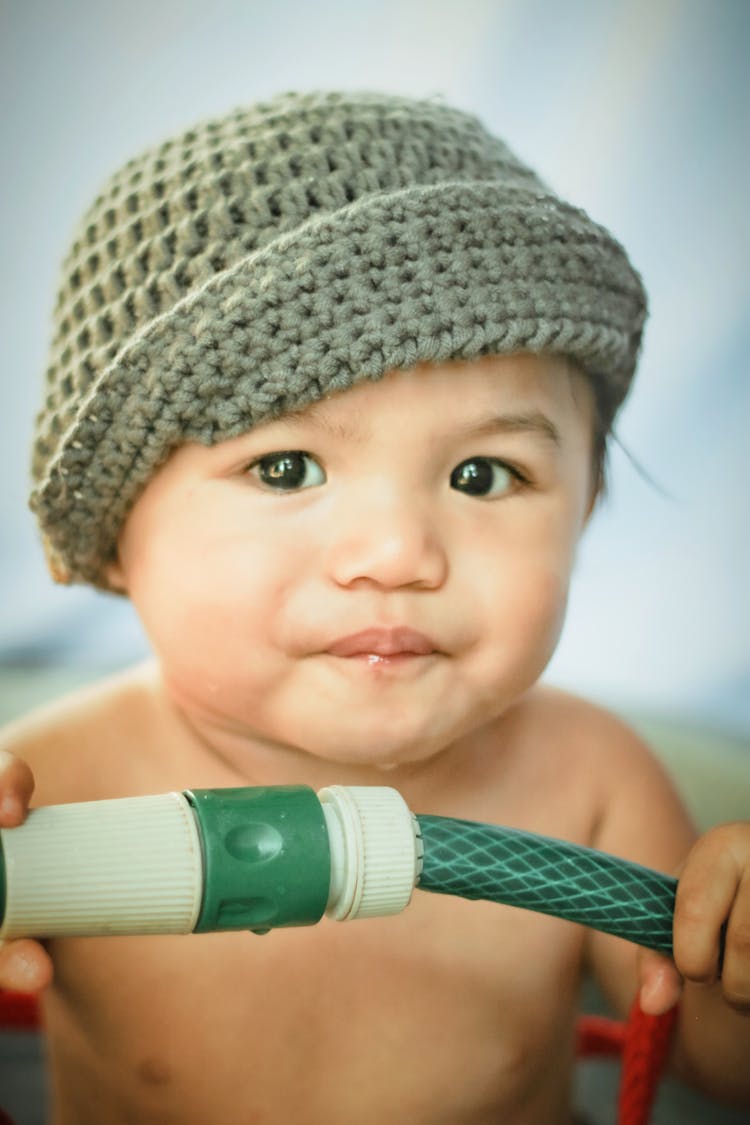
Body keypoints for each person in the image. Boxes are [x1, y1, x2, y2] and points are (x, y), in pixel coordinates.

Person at [0, 90, 747, 1125]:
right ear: (116, 535)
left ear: (587, 510)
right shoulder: (50, 792)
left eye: (484, 476)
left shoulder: (590, 781)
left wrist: (736, 957)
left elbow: (719, 1063)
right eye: (287, 465)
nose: (398, 555)